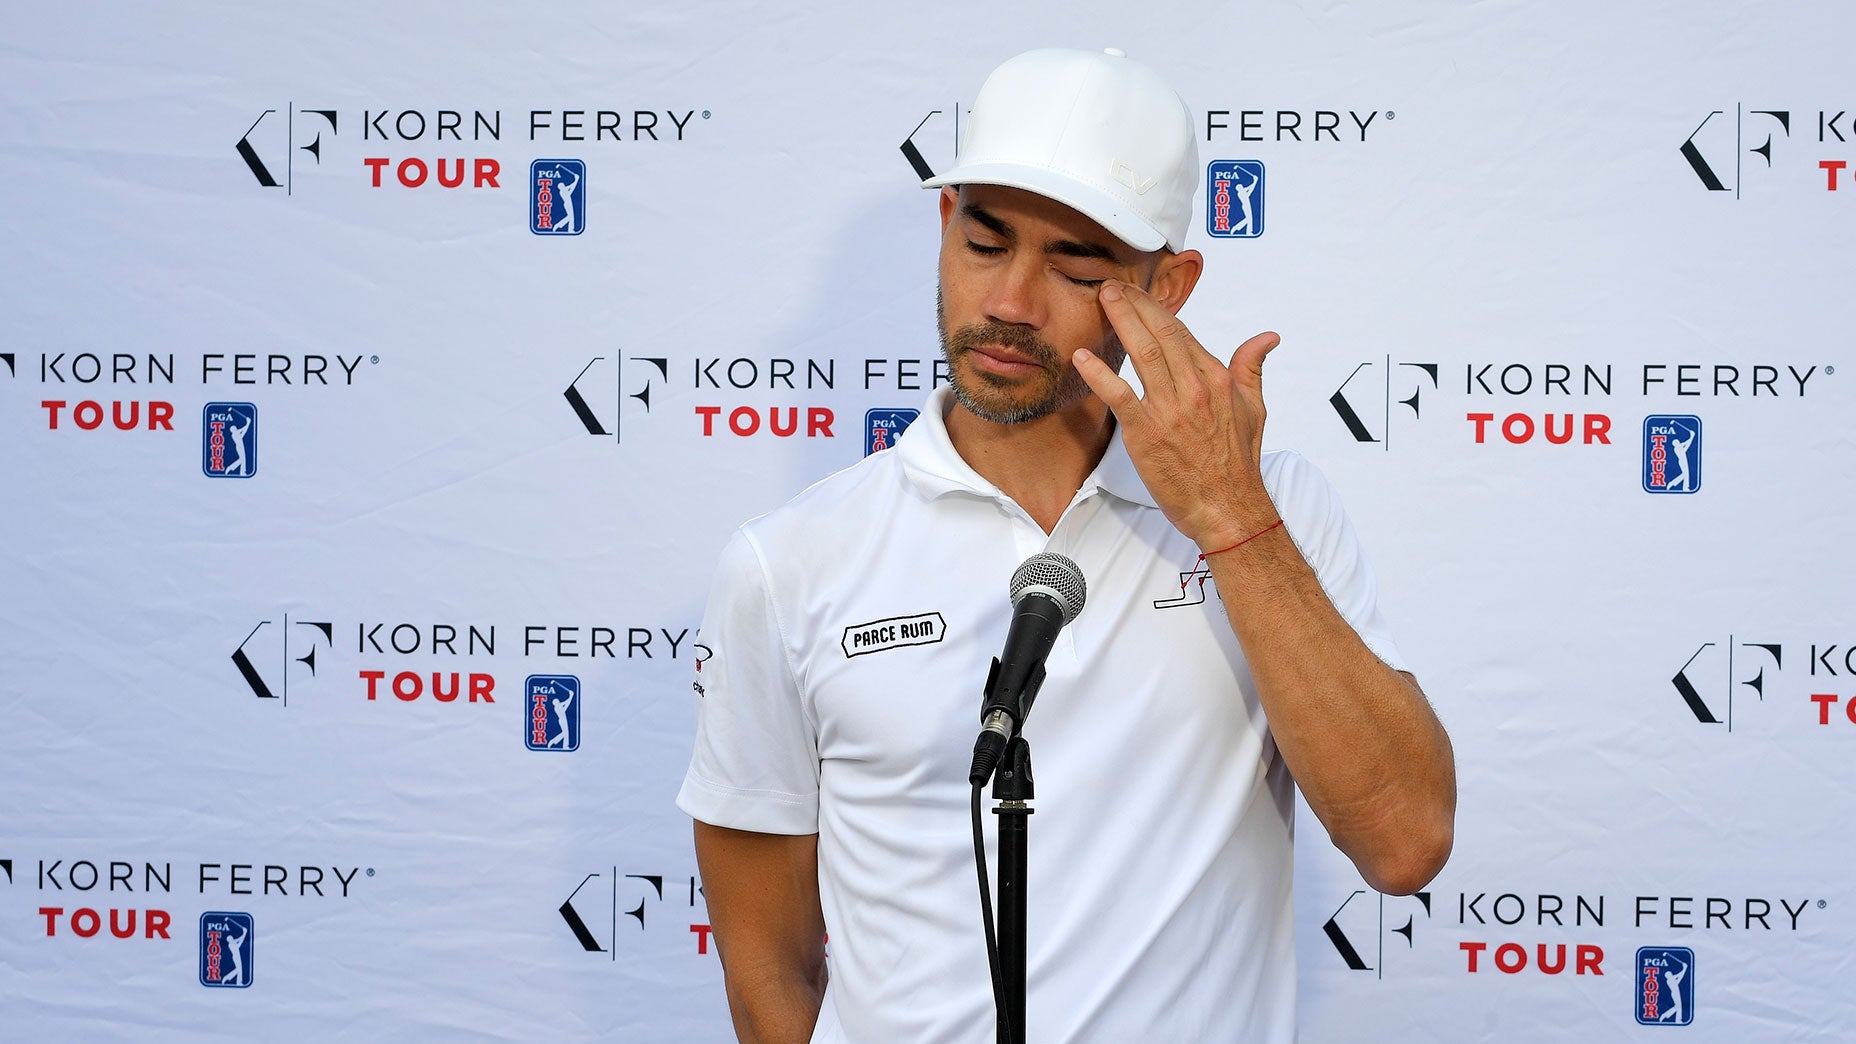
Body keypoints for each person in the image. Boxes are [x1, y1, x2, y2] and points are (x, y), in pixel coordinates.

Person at [677, 47, 1455, 1043]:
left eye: (1076, 265)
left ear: (1165, 286)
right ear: (944, 223)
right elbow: (767, 970)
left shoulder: (1277, 513)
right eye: (984, 242)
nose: (1010, 302)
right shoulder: (786, 564)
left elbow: (1403, 843)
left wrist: (1229, 515)